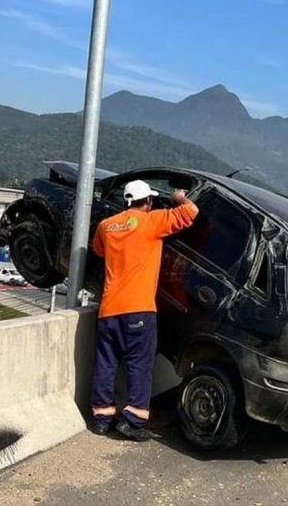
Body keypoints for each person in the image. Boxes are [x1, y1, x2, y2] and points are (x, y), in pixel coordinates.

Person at [90, 180, 198, 441]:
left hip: (109, 310)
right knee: (139, 364)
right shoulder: (153, 221)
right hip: (139, 309)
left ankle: (102, 419)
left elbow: (98, 251)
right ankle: (133, 421)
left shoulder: (106, 226)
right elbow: (191, 212)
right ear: (148, 201)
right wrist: (180, 197)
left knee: (106, 364)